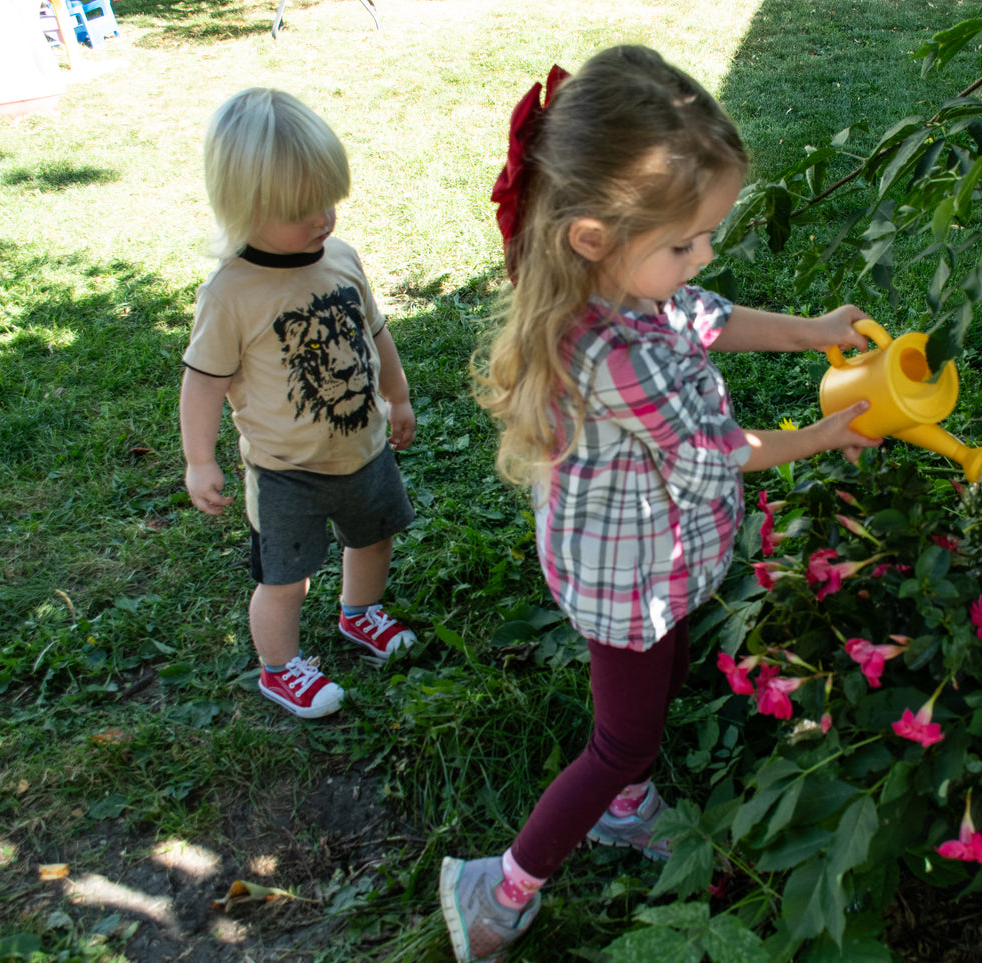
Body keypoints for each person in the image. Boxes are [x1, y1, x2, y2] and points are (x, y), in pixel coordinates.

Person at [440, 46, 881, 961]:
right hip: (626, 576)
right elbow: (718, 451)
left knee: (652, 684)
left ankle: (628, 803)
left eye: (706, 234)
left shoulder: (633, 290)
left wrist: (813, 333)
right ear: (592, 236)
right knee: (619, 736)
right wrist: (824, 437)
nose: (703, 254)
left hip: (656, 562)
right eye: (683, 243)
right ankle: (501, 892)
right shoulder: (613, 352)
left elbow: (709, 314)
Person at [180, 88, 419, 720]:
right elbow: (202, 381)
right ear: (246, 208)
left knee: (374, 539)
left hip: (363, 447)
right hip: (286, 471)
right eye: (301, 210)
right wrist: (199, 460)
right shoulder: (231, 292)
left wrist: (396, 396)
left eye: (328, 200)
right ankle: (280, 669)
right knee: (284, 578)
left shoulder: (341, 259)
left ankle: (359, 614)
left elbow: (376, 335)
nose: (323, 219)